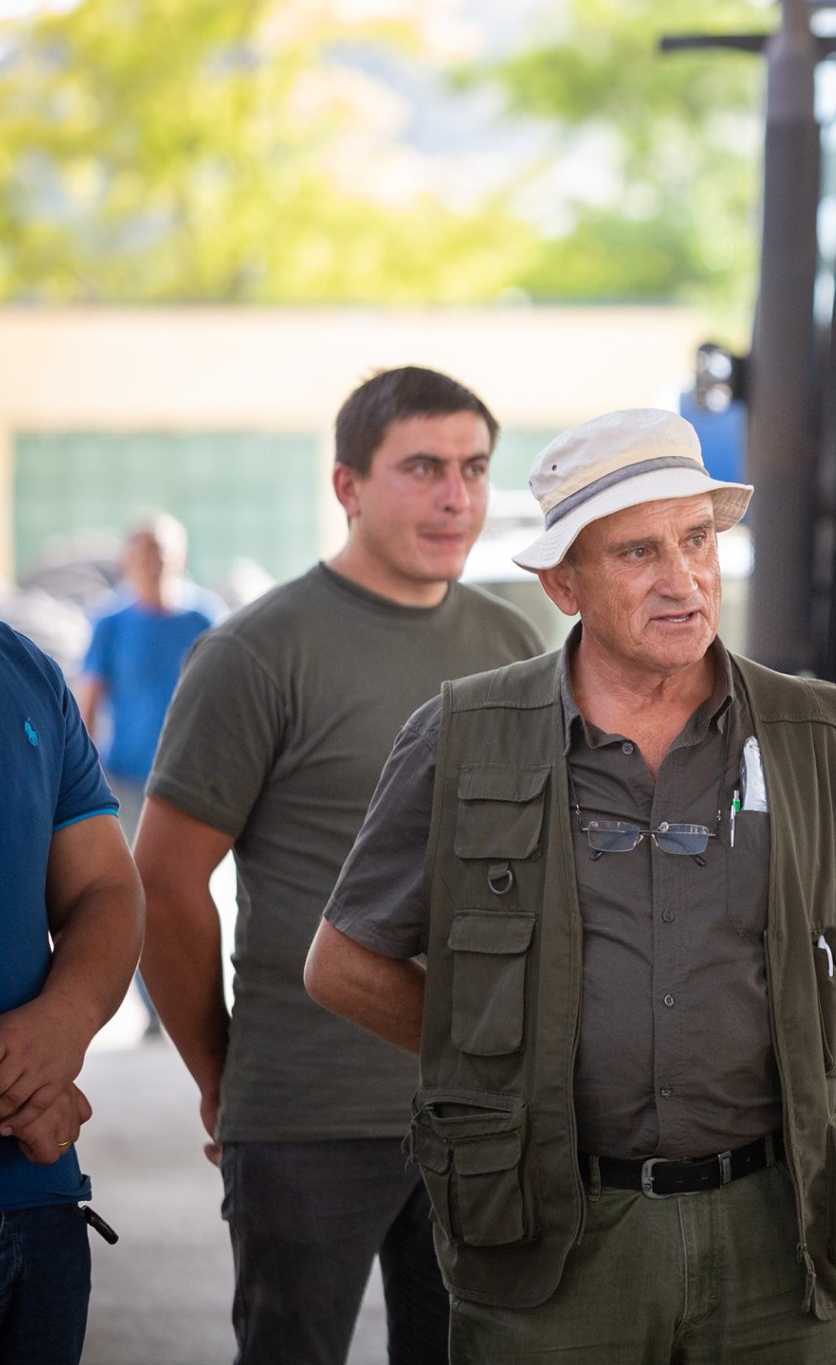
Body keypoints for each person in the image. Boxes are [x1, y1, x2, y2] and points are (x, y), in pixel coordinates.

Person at [305, 407, 836, 1364]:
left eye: (697, 539)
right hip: (550, 1237)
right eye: (638, 551)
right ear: (563, 583)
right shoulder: (464, 736)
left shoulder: (818, 734)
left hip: (781, 1233)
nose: (682, 579)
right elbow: (343, 966)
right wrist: (502, 1061)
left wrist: (807, 1054)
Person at [132, 366, 542, 1365]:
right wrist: (221, 1073)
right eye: (423, 468)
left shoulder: (513, 641)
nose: (456, 496)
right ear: (346, 486)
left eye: (474, 468)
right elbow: (165, 884)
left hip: (481, 1109)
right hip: (307, 1111)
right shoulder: (257, 651)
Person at [0, 367, 144, 1362]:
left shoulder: (20, 671)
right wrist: (20, 1087)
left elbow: (104, 887)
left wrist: (64, 1023)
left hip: (38, 1209)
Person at [77, 514, 223, 836]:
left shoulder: (205, 621)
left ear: (180, 558)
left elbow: (226, 699)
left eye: (162, 555)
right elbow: (89, 703)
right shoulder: (111, 624)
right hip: (127, 781)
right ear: (128, 562)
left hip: (190, 781)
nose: (154, 565)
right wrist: (85, 779)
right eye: (145, 555)